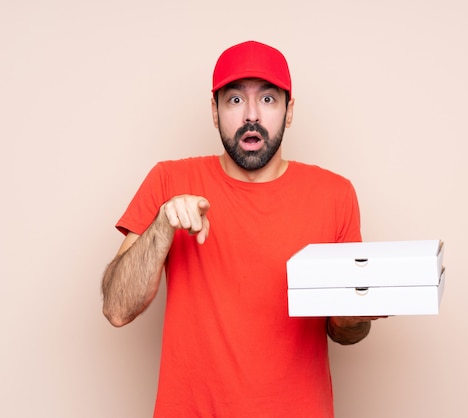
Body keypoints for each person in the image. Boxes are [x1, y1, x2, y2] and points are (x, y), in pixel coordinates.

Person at [102, 40, 384, 418]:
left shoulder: (335, 194)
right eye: (235, 100)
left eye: (268, 100)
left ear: (289, 111)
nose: (252, 115)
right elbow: (117, 309)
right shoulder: (169, 180)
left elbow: (347, 333)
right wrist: (161, 227)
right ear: (215, 113)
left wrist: (355, 315)